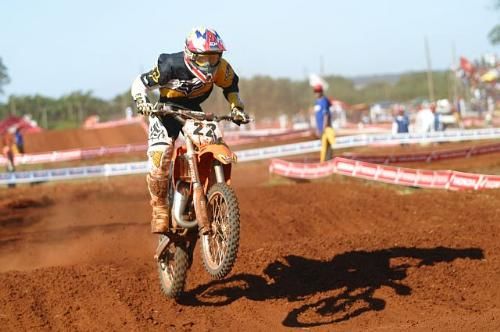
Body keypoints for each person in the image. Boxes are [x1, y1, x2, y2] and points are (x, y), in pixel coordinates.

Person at [131, 27, 249, 234]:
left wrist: (236, 108)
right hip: (165, 110)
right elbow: (140, 82)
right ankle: (159, 208)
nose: (210, 63)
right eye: (205, 58)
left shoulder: (221, 68)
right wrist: (142, 101)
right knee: (160, 157)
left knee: (213, 141)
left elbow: (231, 87)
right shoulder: (170, 65)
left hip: (193, 110)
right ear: (191, 55)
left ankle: (212, 193)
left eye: (214, 57)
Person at [312, 85, 335, 161]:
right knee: (323, 146)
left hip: (326, 128)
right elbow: (316, 116)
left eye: (318, 91)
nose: (317, 93)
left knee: (328, 146)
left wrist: (324, 127)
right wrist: (317, 129)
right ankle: (326, 161)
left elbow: (326, 115)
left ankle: (329, 161)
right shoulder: (316, 102)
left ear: (321, 91)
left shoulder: (324, 101)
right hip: (320, 128)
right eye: (315, 91)